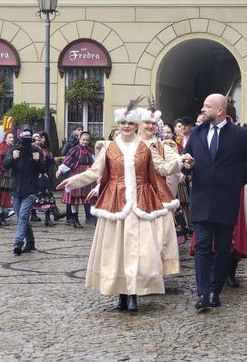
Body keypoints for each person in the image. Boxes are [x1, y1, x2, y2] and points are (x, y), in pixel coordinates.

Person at [57, 105, 171, 313]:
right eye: (122, 123)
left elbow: (158, 172)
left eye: (130, 123)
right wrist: (73, 181)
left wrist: (180, 164)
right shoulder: (109, 147)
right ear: (118, 125)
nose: (126, 126)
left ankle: (134, 293)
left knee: (138, 251)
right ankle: (121, 293)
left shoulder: (145, 148)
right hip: (115, 202)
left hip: (140, 204)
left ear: (136, 126)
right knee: (116, 250)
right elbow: (95, 171)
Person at [181, 93, 247, 310]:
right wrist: (186, 165)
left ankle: (215, 291)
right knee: (202, 246)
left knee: (223, 248)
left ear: (219, 110)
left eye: (207, 106)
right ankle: (202, 293)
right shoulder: (197, 133)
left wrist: (237, 181)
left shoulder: (238, 134)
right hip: (200, 197)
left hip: (226, 199)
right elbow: (185, 160)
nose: (203, 110)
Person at [139, 109, 181, 276]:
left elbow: (173, 166)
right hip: (135, 196)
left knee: (160, 237)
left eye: (153, 123)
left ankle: (154, 272)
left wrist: (182, 162)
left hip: (159, 196)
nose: (150, 126)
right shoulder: (128, 145)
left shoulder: (163, 146)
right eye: (146, 122)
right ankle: (139, 274)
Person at [2, 129, 45, 255]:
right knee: (22, 218)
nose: (25, 143)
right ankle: (30, 242)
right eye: (23, 139)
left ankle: (18, 242)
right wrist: (12, 158)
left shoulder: (36, 151)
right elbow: (4, 165)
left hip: (31, 190)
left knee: (23, 216)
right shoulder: (14, 150)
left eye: (28, 140)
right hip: (16, 190)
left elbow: (44, 169)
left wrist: (38, 161)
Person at [56, 131, 95, 228]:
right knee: (75, 198)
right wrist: (60, 170)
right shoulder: (74, 149)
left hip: (88, 176)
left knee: (91, 197)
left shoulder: (90, 151)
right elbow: (67, 161)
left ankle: (93, 218)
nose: (85, 142)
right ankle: (75, 220)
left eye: (87, 140)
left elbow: (96, 163)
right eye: (83, 140)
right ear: (79, 140)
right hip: (77, 175)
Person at [33, 131, 65, 226]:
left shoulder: (42, 150)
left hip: (44, 175)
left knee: (47, 196)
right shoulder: (30, 150)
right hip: (34, 177)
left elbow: (44, 163)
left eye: (39, 140)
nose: (38, 141)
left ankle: (48, 218)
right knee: (34, 197)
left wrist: (43, 171)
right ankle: (31, 216)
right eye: (36, 140)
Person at [0, 131, 15, 226]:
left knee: (11, 197)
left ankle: (4, 216)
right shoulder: (2, 149)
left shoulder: (14, 148)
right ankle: (1, 217)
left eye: (13, 137)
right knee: (0, 198)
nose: (12, 139)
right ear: (5, 139)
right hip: (3, 175)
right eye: (10, 137)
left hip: (13, 175)